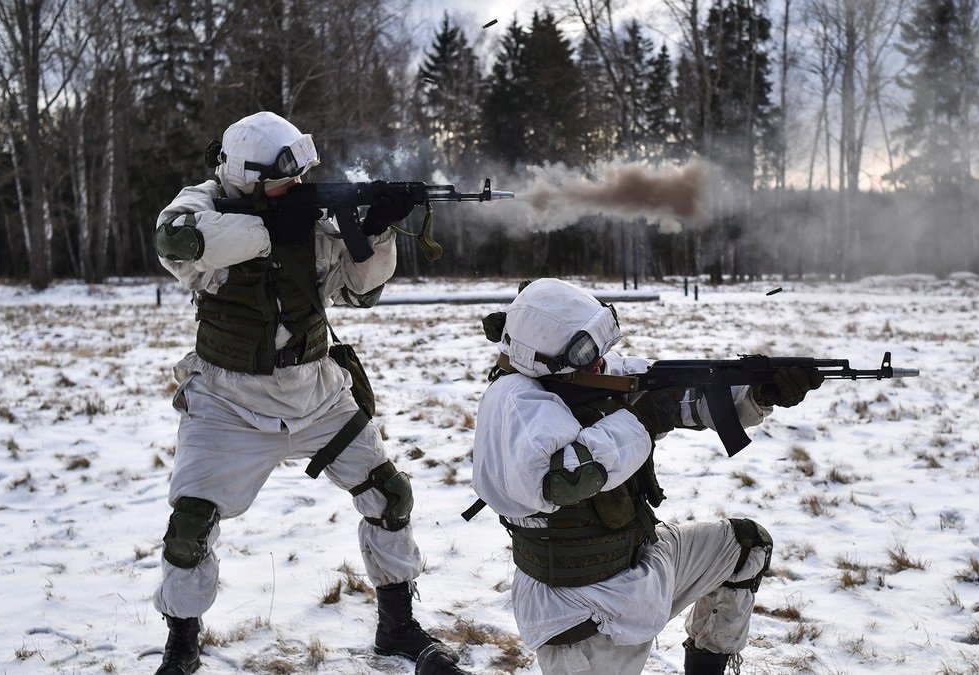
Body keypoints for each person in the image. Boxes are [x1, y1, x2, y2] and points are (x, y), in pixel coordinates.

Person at [150, 111, 469, 675]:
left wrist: (377, 227)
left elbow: (359, 290)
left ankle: (397, 627)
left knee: (388, 494)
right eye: (282, 180)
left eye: (300, 179)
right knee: (190, 526)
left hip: (316, 391)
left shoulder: (309, 217)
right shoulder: (197, 205)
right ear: (245, 177)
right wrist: (278, 225)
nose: (295, 188)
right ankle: (182, 641)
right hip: (228, 402)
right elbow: (180, 242)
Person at [470, 278, 823, 675]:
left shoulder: (589, 376)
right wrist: (641, 421)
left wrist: (758, 392)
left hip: (641, 570)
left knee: (744, 547)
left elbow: (681, 399)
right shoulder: (515, 406)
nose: (599, 362)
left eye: (600, 350)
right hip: (581, 618)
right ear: (543, 357)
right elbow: (565, 479)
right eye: (586, 355)